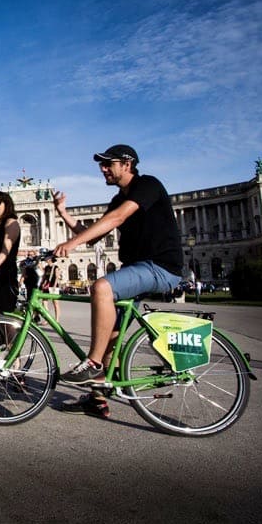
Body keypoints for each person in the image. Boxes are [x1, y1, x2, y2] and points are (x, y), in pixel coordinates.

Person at [53, 144, 181, 419]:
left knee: (101, 286)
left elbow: (118, 218)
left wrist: (73, 243)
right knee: (110, 334)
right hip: (137, 267)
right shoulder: (117, 199)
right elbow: (96, 234)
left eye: (107, 164)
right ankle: (98, 399)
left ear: (127, 163)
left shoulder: (147, 184)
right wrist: (63, 214)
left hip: (160, 266)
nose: (103, 169)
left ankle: (93, 363)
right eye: (102, 164)